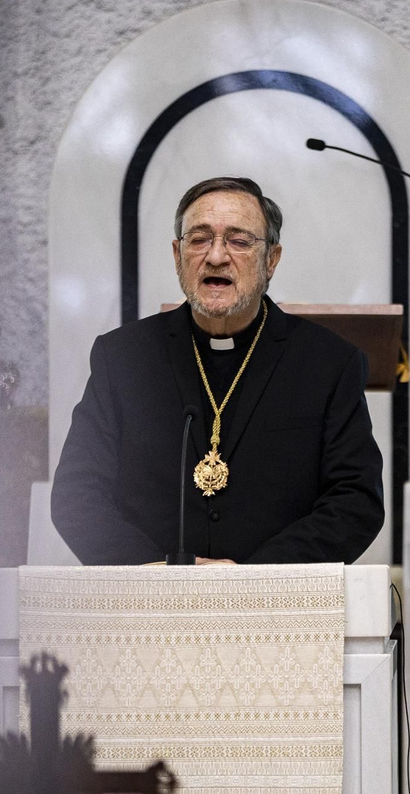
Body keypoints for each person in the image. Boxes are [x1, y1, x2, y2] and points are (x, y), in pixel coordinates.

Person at [51, 175, 385, 565]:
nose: (215, 256)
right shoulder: (122, 358)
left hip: (275, 611)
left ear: (271, 259)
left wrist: (252, 578)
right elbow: (76, 494)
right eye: (199, 239)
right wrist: (148, 572)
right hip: (149, 611)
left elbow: (356, 500)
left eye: (239, 241)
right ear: (177, 255)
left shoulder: (327, 363)